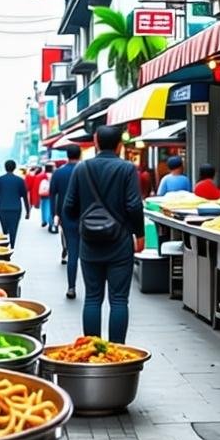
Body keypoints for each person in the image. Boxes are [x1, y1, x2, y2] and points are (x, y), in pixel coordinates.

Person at [63, 125, 145, 343]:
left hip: (89, 244)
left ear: (96, 142)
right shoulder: (127, 169)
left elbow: (68, 207)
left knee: (92, 298)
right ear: (120, 145)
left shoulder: (82, 168)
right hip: (120, 242)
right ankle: (117, 351)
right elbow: (134, 205)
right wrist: (140, 234)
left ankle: (92, 349)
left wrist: (82, 226)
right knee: (118, 300)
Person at [49, 147, 82, 299]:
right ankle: (92, 288)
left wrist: (54, 214)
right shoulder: (85, 171)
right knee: (88, 253)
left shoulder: (58, 173)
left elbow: (52, 195)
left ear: (67, 155)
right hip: (86, 216)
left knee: (73, 251)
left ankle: (71, 287)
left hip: (66, 215)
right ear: (80, 154)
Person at [0, 159, 31, 247]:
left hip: (2, 208)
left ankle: (5, 244)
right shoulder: (20, 180)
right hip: (16, 208)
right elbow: (25, 196)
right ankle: (12, 245)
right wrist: (28, 211)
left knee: (5, 229)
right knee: (14, 228)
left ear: (5, 167)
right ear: (14, 168)